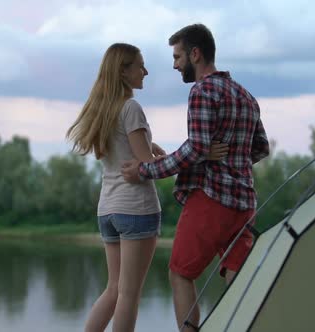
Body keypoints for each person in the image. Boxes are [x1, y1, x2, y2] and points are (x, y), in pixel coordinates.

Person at [66, 43, 228, 332]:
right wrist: (199, 154)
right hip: (136, 210)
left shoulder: (103, 110)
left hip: (108, 210)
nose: (146, 71)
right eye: (140, 66)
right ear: (123, 71)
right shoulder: (130, 108)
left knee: (113, 290)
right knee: (129, 295)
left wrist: (154, 150)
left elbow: (130, 153)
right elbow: (146, 167)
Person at [121, 24, 270, 331]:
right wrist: (231, 159)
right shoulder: (246, 96)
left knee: (180, 272)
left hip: (211, 199)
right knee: (235, 271)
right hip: (243, 202)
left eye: (177, 57)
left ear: (195, 54)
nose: (175, 65)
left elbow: (196, 149)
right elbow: (260, 148)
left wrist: (144, 171)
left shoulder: (203, 90)